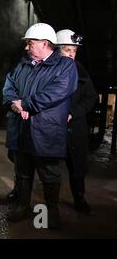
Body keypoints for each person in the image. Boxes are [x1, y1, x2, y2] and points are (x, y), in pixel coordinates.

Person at [3, 23, 78, 229]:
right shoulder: (24, 64)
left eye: (30, 43)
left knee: (49, 172)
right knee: (23, 169)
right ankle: (23, 206)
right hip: (22, 127)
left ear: (45, 44)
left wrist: (26, 104)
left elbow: (56, 92)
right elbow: (9, 85)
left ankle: (51, 212)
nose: (27, 48)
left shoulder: (65, 66)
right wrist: (15, 103)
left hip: (46, 130)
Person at [57, 29, 98, 213]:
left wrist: (73, 112)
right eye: (67, 50)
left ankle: (79, 198)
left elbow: (90, 97)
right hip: (53, 127)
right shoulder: (46, 70)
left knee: (77, 166)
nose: (72, 55)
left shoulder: (81, 71)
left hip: (75, 127)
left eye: (74, 51)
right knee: (48, 165)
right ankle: (48, 201)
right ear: (56, 49)